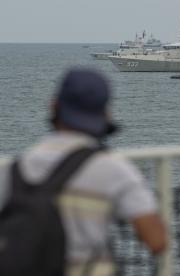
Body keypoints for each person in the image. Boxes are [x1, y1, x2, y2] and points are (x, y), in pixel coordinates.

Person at [0, 69, 167, 275]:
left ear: (53, 106)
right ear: (106, 114)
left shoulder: (13, 169)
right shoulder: (114, 169)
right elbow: (157, 241)